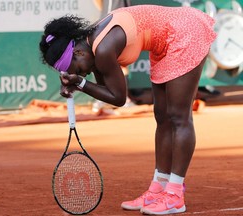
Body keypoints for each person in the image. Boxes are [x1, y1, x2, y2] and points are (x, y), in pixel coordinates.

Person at [39, 5, 216, 215]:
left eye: (78, 69)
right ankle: (158, 188)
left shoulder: (103, 49)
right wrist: (77, 83)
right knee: (163, 117)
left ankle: (175, 194)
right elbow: (106, 90)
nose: (83, 74)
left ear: (78, 52)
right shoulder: (90, 48)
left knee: (178, 116)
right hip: (164, 41)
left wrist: (80, 84)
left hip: (186, 31)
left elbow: (118, 98)